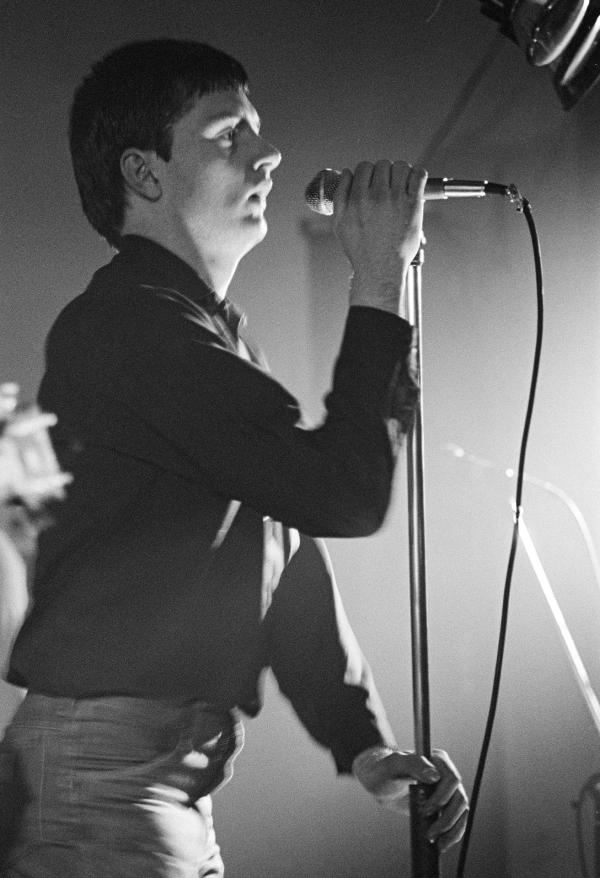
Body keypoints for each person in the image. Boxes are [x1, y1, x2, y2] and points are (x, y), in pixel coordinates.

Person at [0, 39, 468, 877]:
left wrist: (362, 744)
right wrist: (376, 283)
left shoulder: (202, 335)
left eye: (258, 130)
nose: (270, 152)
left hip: (152, 785)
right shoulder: (130, 326)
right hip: (103, 785)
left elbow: (282, 559)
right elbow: (340, 494)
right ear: (143, 173)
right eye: (228, 136)